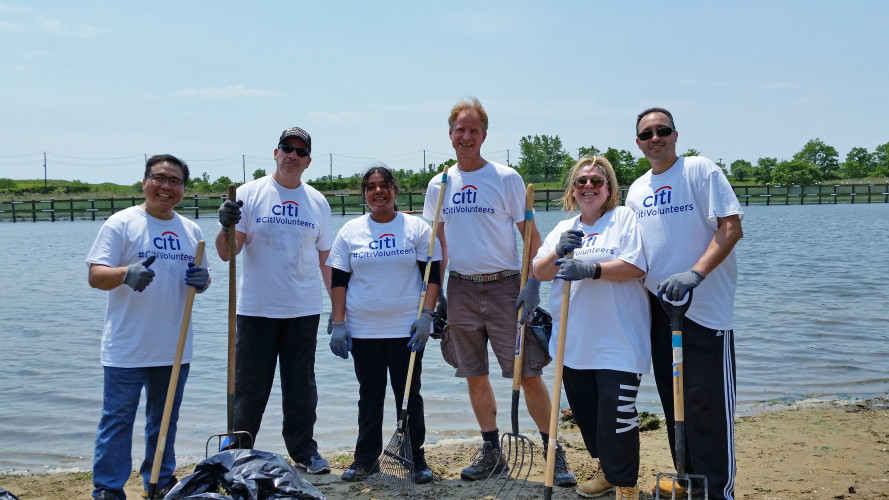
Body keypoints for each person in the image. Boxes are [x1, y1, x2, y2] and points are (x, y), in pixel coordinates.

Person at [423, 97, 575, 487]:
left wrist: (533, 285)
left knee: (526, 373)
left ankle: (553, 452)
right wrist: (435, 294)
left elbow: (532, 237)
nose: (466, 136)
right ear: (450, 133)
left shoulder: (506, 179)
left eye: (474, 130)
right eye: (460, 129)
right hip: (461, 289)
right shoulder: (439, 185)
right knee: (474, 373)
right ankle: (492, 450)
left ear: (484, 135)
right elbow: (436, 244)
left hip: (506, 286)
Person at [625, 108, 744, 500]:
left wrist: (695, 273)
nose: (655, 138)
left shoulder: (699, 170)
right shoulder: (637, 190)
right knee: (675, 407)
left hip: (705, 312)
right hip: (660, 313)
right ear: (638, 142)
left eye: (663, 130)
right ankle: (689, 481)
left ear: (676, 135)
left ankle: (717, 492)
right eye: (647, 134)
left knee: (707, 408)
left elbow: (731, 227)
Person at [86, 154, 210, 500]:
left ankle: (158, 479)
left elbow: (204, 277)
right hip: (127, 346)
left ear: (183, 189)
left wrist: (203, 280)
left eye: (175, 181)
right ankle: (109, 488)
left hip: (174, 345)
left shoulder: (191, 230)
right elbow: (96, 276)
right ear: (145, 182)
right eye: (159, 178)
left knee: (165, 420)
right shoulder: (121, 224)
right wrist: (125, 274)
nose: (166, 186)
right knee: (117, 421)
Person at [215, 126, 333, 474]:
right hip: (255, 310)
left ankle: (304, 450)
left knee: (301, 387)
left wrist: (341, 313)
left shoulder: (318, 202)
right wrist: (225, 226)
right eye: (287, 148)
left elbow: (326, 262)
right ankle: (237, 447)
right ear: (275, 152)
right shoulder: (249, 195)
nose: (293, 155)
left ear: (308, 160)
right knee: (249, 386)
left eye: (300, 151)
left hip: (303, 309)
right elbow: (227, 253)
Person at [533, 156, 649, 500]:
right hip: (574, 343)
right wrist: (557, 250)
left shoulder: (623, 218)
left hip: (619, 342)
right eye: (581, 181)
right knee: (588, 416)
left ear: (609, 188)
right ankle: (607, 472)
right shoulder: (564, 228)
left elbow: (635, 266)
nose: (588, 186)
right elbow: (538, 272)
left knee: (617, 415)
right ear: (572, 189)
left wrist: (589, 270)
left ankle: (626, 484)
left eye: (596, 181)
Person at [326, 165, 441, 484]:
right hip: (363, 332)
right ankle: (366, 459)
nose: (378, 191)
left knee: (409, 396)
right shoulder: (350, 231)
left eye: (385, 185)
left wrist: (427, 317)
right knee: (370, 396)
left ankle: (416, 458)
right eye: (371, 186)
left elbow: (433, 277)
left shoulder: (418, 229)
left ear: (395, 190)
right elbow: (339, 280)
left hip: (407, 332)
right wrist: (339, 322)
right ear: (364, 194)